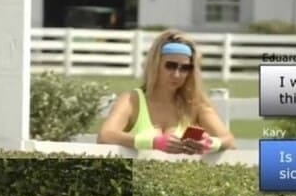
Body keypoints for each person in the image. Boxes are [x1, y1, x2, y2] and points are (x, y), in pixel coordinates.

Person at [97, 29, 235, 154]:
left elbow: (229, 141)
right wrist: (152, 143)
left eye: (184, 68)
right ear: (155, 65)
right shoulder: (131, 100)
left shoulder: (194, 104)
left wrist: (209, 143)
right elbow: (105, 135)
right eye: (170, 66)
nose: (177, 75)